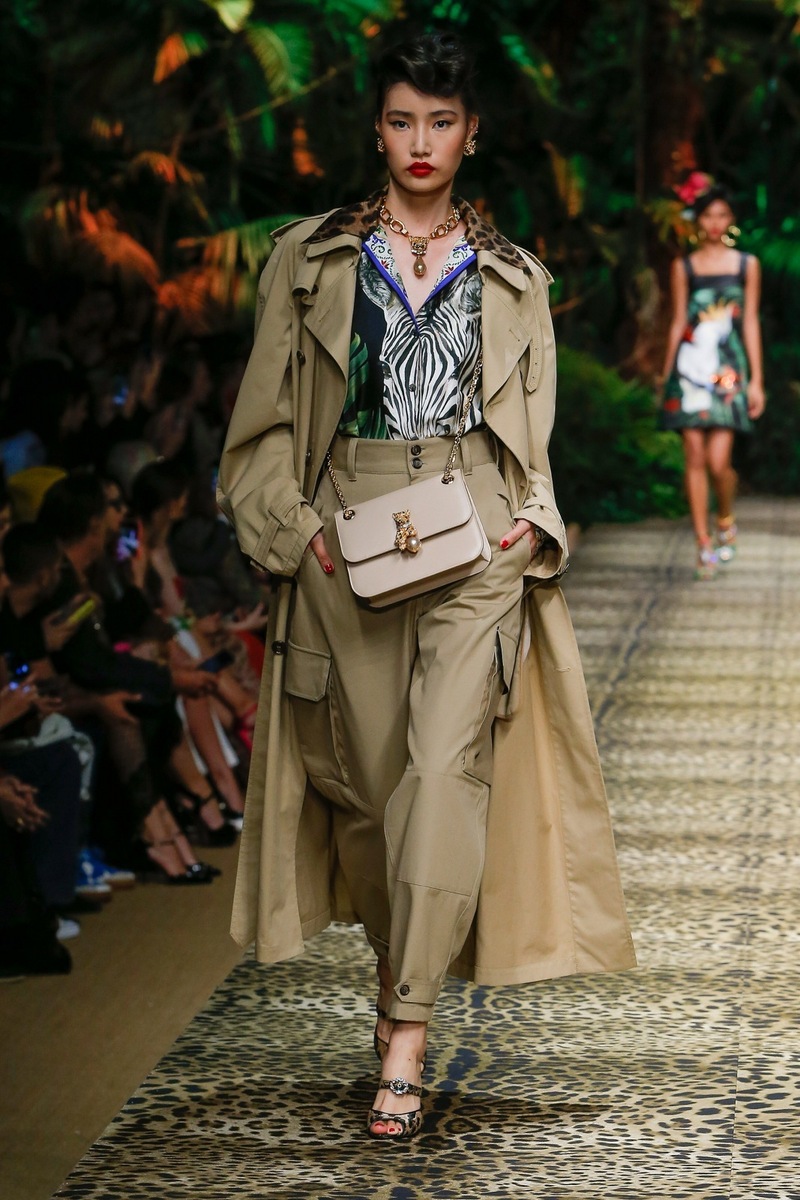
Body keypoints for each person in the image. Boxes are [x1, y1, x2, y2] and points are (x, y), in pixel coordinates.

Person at [218, 30, 635, 1141]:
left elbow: (533, 439)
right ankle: (395, 972)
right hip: (344, 534)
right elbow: (259, 428)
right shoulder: (308, 260)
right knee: (370, 799)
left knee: (446, 774)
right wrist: (297, 532)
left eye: (440, 123)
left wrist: (529, 523)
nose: (420, 141)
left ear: (470, 134)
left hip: (472, 533)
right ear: (377, 128)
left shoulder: (513, 278)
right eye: (403, 120)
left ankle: (405, 1035)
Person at [658, 181, 765, 579]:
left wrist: (756, 380)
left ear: (730, 219)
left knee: (720, 462)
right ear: (698, 221)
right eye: (708, 216)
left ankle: (725, 516)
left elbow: (749, 322)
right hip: (688, 368)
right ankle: (703, 543)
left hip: (729, 370)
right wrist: (667, 374)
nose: (715, 223)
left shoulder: (746, 265)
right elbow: (678, 321)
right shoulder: (684, 267)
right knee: (695, 456)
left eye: (722, 215)